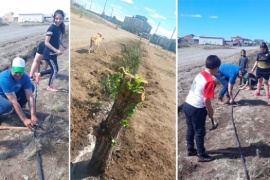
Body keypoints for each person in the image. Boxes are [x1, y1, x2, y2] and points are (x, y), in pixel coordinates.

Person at [183, 55, 221, 162]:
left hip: (187, 104)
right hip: (197, 108)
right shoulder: (210, 80)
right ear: (216, 68)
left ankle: (190, 149)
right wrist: (210, 111)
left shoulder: (200, 74)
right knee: (199, 131)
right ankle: (201, 154)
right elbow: (206, 100)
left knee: (190, 128)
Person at [0, 57, 38, 131]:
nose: (18, 74)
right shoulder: (4, 77)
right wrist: (24, 120)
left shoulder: (25, 76)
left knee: (31, 87)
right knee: (7, 105)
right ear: (11, 68)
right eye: (16, 72)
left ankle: (16, 111)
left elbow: (30, 96)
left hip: (11, 92)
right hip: (1, 94)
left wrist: (33, 115)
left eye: (20, 72)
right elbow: (14, 101)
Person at [35, 9, 68, 92]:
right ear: (54, 18)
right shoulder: (51, 28)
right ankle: (49, 86)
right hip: (48, 54)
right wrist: (56, 50)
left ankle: (39, 74)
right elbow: (46, 42)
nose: (59, 20)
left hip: (53, 54)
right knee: (55, 70)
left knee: (55, 69)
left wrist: (63, 44)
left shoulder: (58, 27)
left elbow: (57, 38)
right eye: (57, 18)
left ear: (63, 18)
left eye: (60, 19)